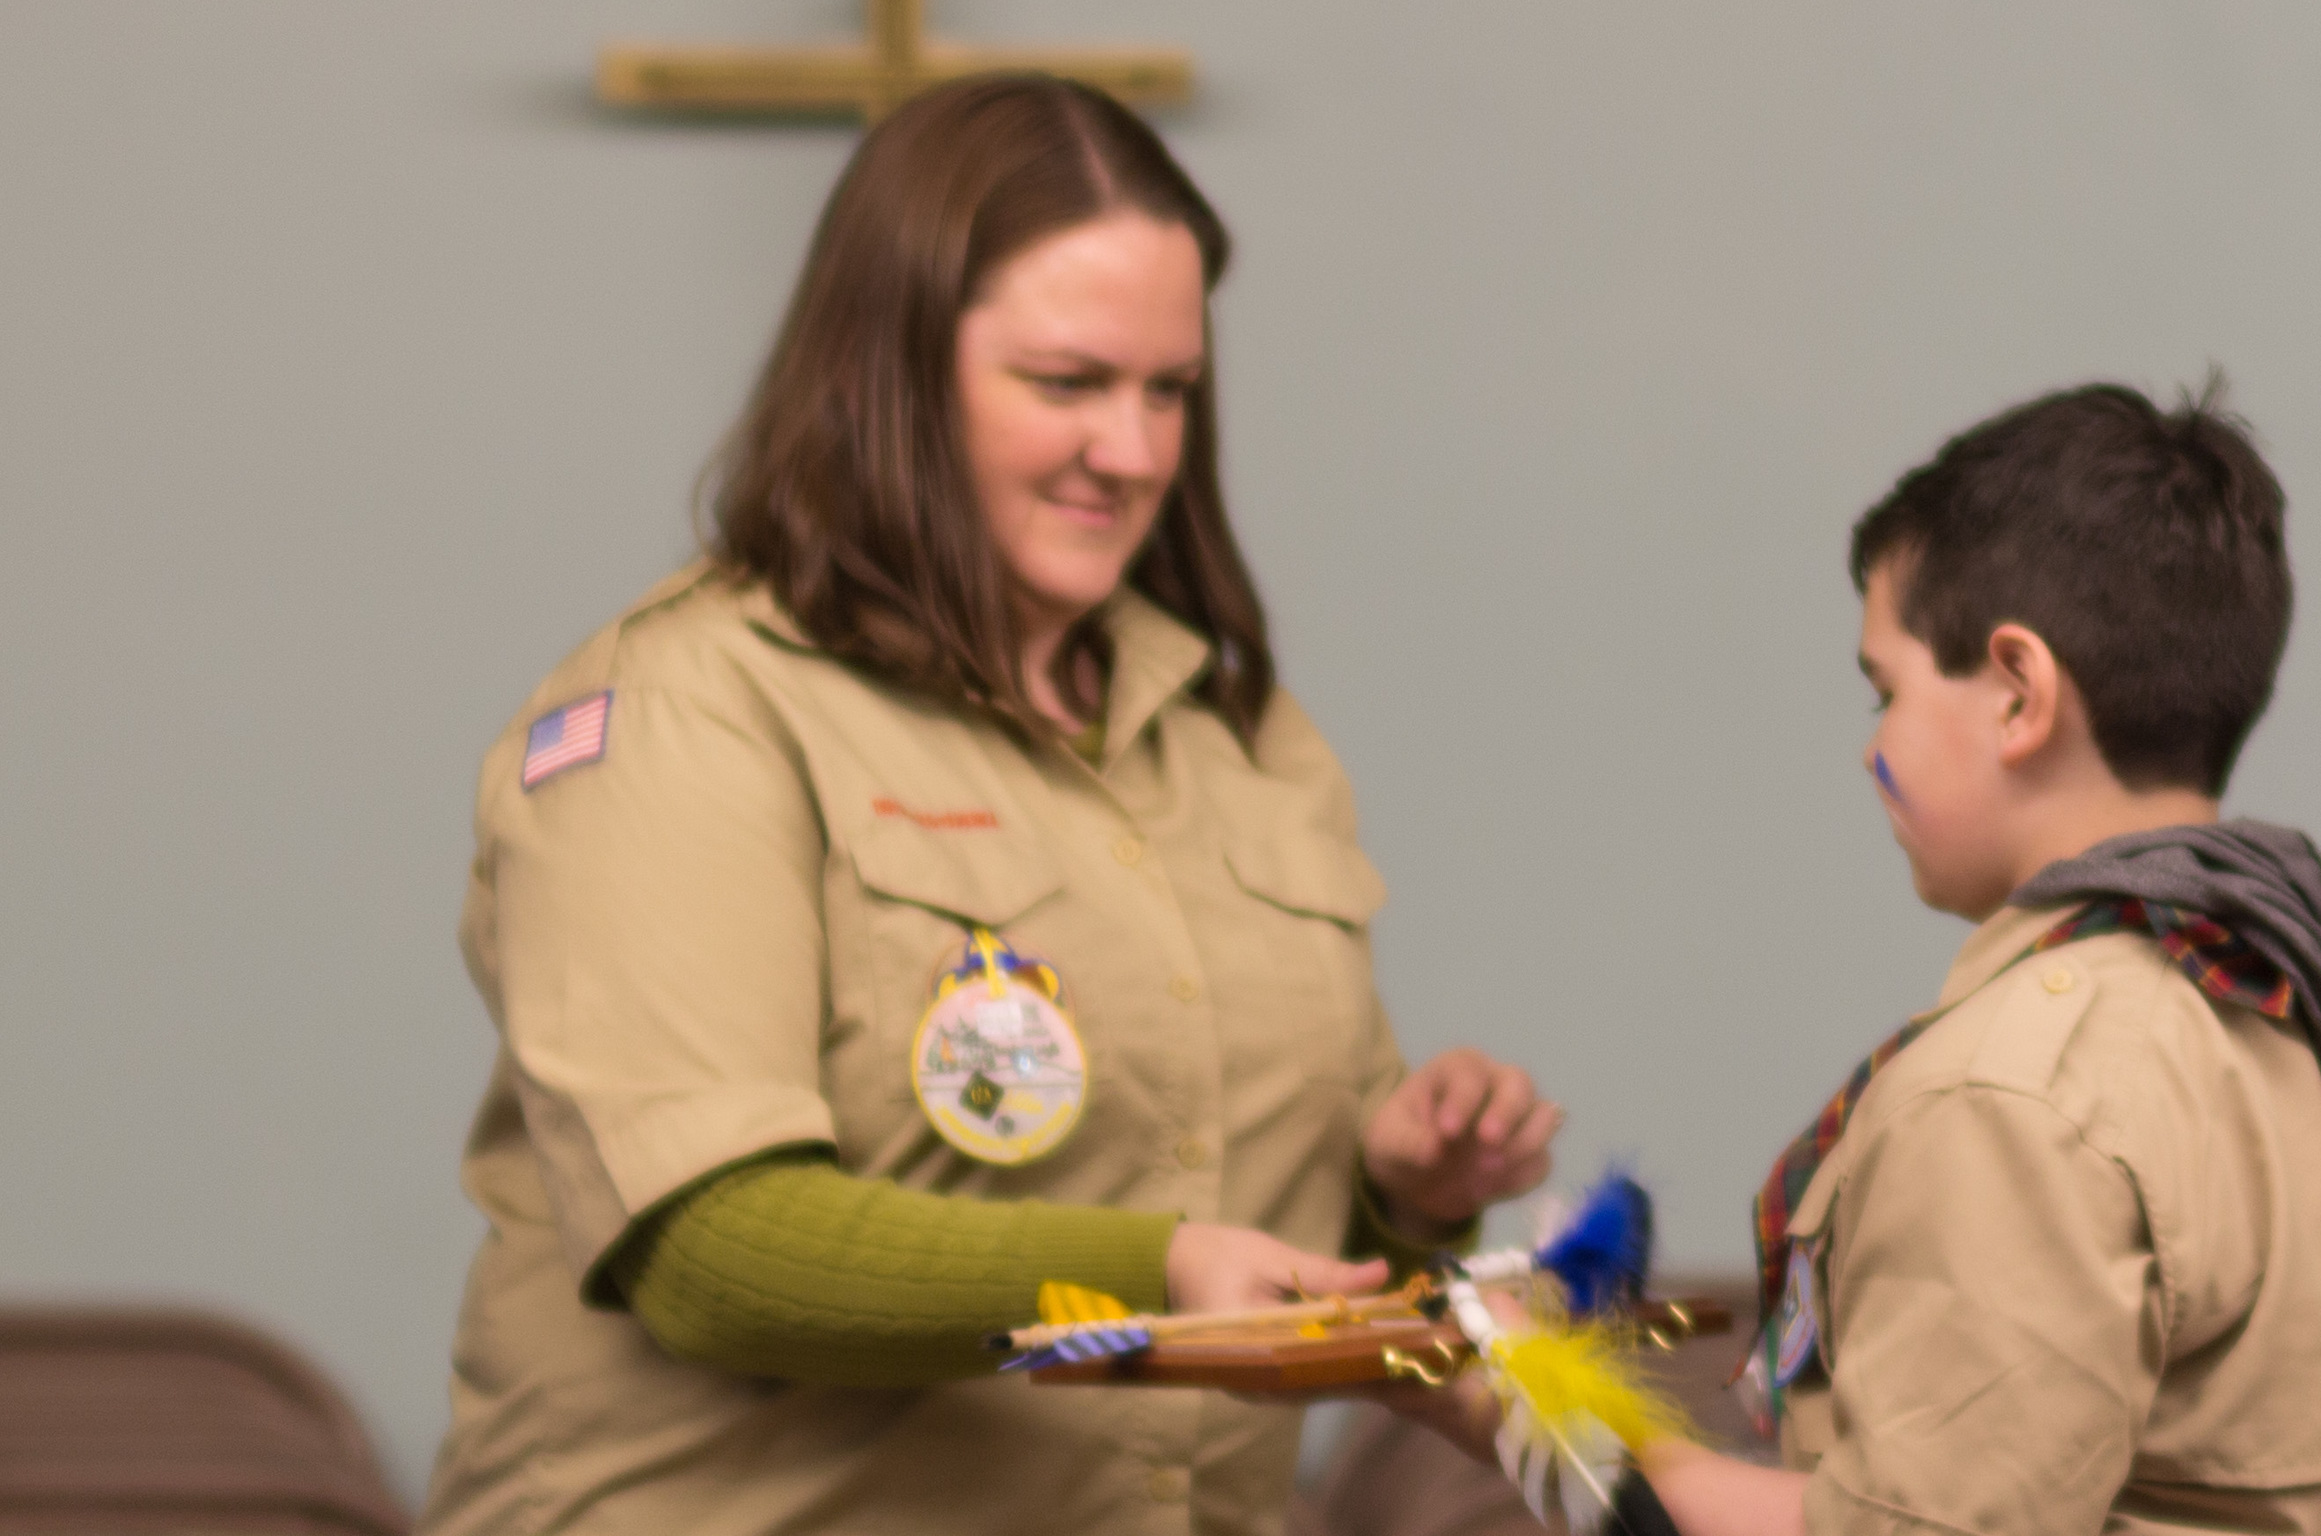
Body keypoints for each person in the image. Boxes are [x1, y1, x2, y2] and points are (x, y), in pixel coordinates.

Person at [418, 75, 1560, 1536]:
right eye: (1068, 384)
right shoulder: (686, 714)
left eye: (1168, 390)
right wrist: (1150, 1279)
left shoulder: (1239, 736)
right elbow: (711, 1249)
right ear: (889, 372)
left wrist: (1405, 1192)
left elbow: (1242, 1234)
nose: (1136, 451)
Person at [1413, 381, 2321, 1536]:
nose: (1870, 749)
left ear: (2019, 694)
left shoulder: (2010, 1098)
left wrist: (1514, 1393)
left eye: (1884, 691)